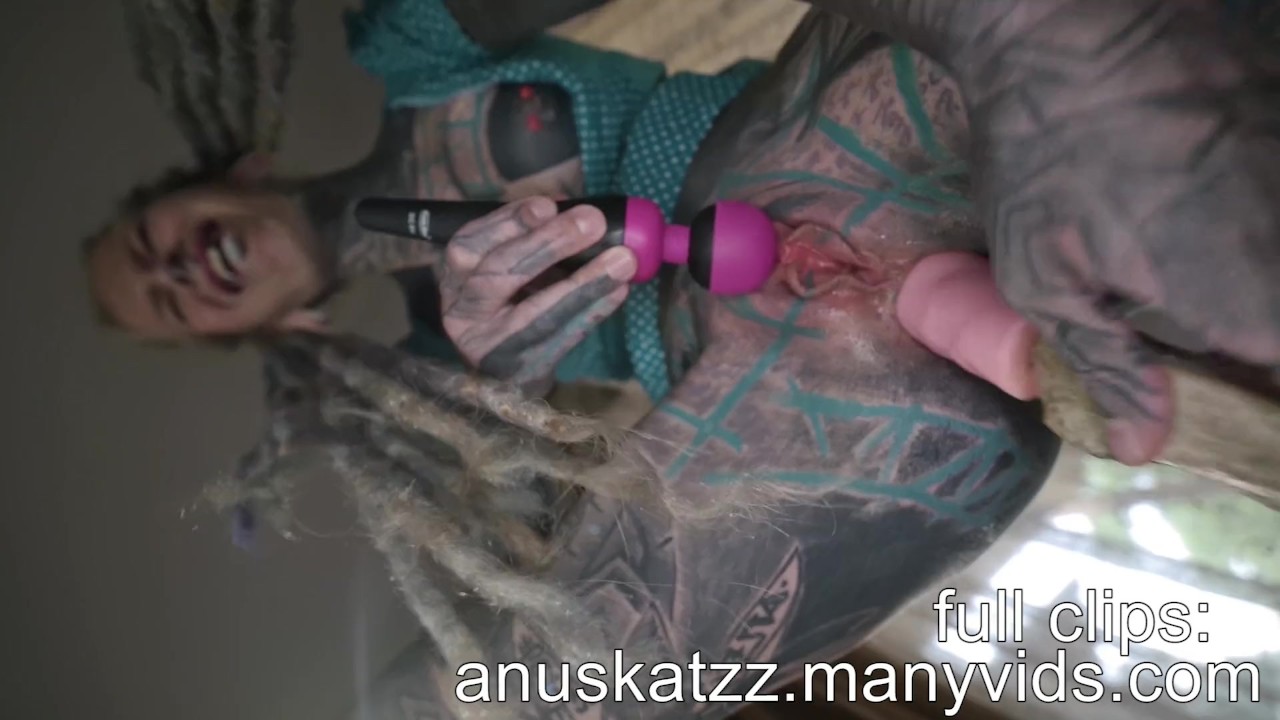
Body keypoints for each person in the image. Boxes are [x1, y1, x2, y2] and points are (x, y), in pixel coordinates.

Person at [83, 0, 1280, 716]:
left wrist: (1019, 30)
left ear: (225, 171)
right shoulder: (440, 375)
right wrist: (505, 383)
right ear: (282, 336)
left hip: (843, 123)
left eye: (151, 245)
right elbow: (528, 548)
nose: (178, 271)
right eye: (173, 309)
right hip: (803, 390)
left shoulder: (410, 44)